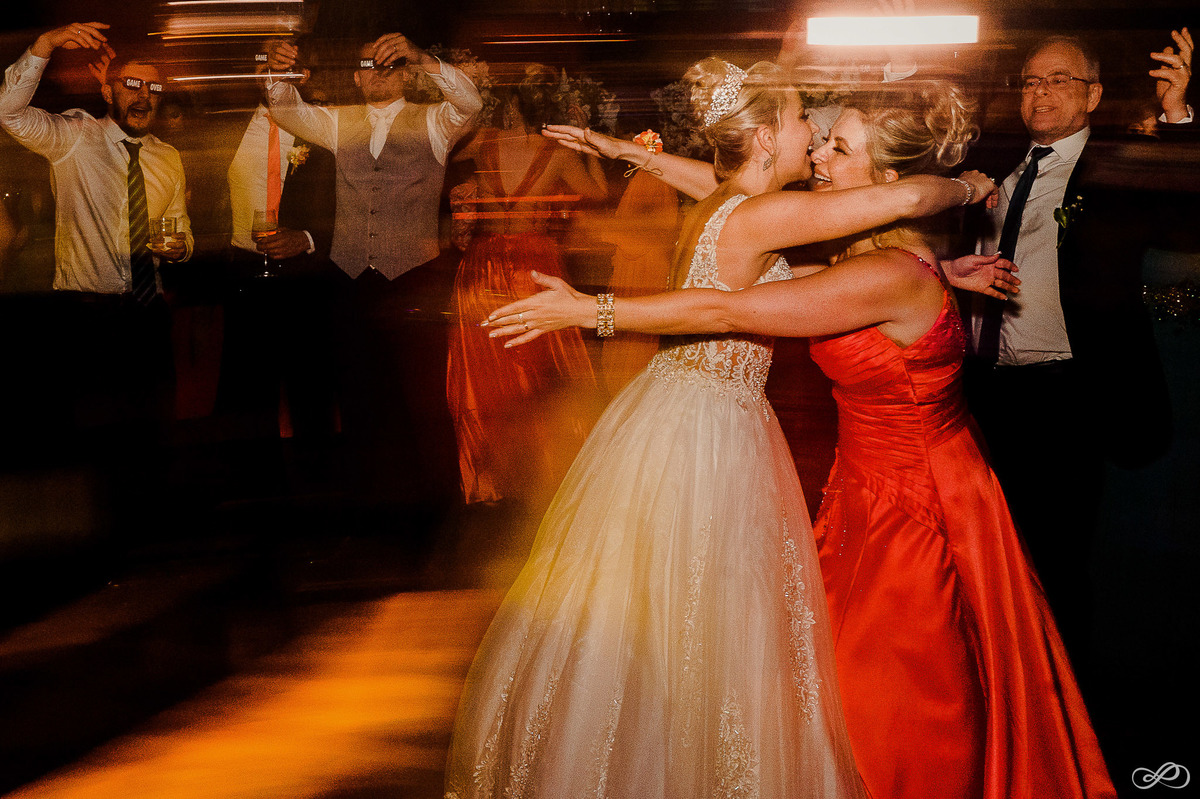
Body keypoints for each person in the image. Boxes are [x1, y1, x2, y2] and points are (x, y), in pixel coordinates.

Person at [488, 80, 1117, 799]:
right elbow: (773, 247)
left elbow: (777, 288)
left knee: (890, 682)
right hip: (845, 475)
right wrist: (957, 221)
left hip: (912, 500)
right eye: (809, 130)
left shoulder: (876, 263)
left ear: (884, 179)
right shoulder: (837, 246)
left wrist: (593, 301)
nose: (817, 149)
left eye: (837, 147)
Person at [961, 31, 1192, 672]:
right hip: (982, 391)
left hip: (1068, 397)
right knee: (986, 560)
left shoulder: (1114, 168)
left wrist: (1176, 114)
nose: (1040, 92)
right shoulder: (992, 166)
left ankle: (1063, 700)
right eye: (1031, 81)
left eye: (1059, 79)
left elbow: (1184, 217)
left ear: (1093, 95)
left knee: (1056, 564)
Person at [264, 34, 482, 525]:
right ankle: (369, 513)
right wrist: (278, 72)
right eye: (369, 65)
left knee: (421, 403)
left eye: (390, 64)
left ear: (406, 74)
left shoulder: (434, 122)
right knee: (359, 399)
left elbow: (470, 102)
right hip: (351, 281)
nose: (379, 71)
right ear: (357, 78)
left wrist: (424, 58)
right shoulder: (339, 122)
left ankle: (436, 516)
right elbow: (285, 110)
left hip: (414, 278)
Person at [0, 23, 192, 539]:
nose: (143, 95)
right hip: (89, 318)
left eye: (153, 87)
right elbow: (7, 112)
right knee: (96, 439)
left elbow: (182, 230)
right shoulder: (74, 137)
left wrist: (181, 248)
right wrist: (45, 45)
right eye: (131, 84)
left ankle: (149, 537)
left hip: (149, 314)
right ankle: (100, 540)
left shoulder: (168, 157)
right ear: (107, 92)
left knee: (153, 433)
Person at [446, 67, 605, 505]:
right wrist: (588, 144)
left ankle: (493, 477)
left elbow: (441, 153)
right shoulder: (556, 151)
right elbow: (595, 192)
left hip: (483, 263)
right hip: (532, 265)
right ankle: (544, 474)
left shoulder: (483, 142)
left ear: (509, 104)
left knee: (485, 375)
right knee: (541, 372)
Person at [215, 48, 339, 456]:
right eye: (267, 68)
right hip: (244, 274)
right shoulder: (226, 126)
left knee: (310, 388)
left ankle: (319, 474)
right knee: (246, 392)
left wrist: (308, 237)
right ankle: (250, 478)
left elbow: (354, 203)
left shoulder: (322, 128)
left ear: (302, 77)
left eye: (286, 70)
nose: (274, 77)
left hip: (303, 274)